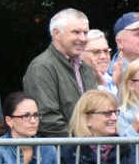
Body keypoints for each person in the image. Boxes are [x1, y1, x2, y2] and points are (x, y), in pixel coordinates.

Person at [22, 8, 91, 137]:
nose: (82, 38)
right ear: (57, 34)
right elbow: (47, 119)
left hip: (87, 151)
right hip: (61, 151)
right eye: (76, 32)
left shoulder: (86, 68)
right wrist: (81, 143)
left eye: (85, 33)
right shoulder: (41, 67)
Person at [84, 29, 116, 93]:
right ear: (80, 55)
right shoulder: (78, 84)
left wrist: (119, 84)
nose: (103, 56)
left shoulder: (112, 79)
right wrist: (102, 86)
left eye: (106, 51)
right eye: (96, 52)